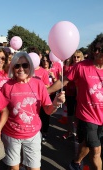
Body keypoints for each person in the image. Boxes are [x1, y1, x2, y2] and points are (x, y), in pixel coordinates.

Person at [1, 52, 65, 170]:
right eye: (17, 65)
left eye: (25, 65)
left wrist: (56, 103)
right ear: (13, 67)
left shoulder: (38, 84)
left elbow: (48, 111)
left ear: (30, 66)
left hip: (32, 134)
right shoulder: (7, 86)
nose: (21, 69)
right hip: (11, 134)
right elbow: (2, 111)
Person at [47, 42, 103, 170]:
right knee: (96, 150)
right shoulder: (81, 66)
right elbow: (63, 81)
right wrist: (45, 92)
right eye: (95, 48)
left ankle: (76, 162)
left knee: (87, 144)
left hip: (101, 115)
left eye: (100, 49)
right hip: (87, 115)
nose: (96, 52)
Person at [62, 50, 84, 140]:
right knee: (70, 114)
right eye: (74, 57)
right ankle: (70, 131)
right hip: (70, 93)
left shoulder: (83, 67)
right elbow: (63, 80)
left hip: (81, 94)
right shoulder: (68, 67)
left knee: (79, 114)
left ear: (81, 58)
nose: (76, 59)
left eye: (78, 57)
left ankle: (79, 132)